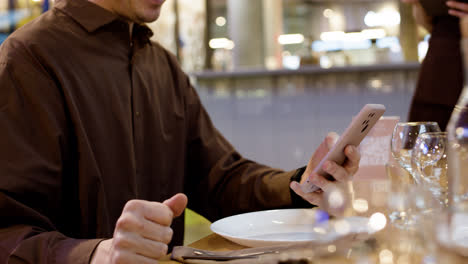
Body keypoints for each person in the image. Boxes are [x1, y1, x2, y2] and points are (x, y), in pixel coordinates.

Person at [0, 0, 361, 263]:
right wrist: (96, 253)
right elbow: (8, 231)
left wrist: (301, 182)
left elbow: (219, 179)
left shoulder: (160, 63)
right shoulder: (28, 60)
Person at [403, 0, 468, 130]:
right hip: (439, 63)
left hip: (447, 59)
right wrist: (418, 4)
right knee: (425, 140)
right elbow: (427, 24)